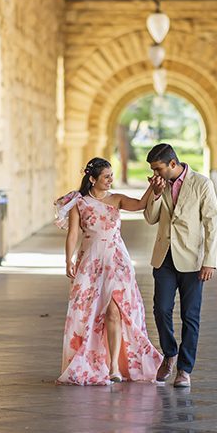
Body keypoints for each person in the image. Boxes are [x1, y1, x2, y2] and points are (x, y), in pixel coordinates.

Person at [54, 158, 164, 385]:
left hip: (117, 261)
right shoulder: (79, 203)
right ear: (92, 179)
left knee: (115, 311)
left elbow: (141, 204)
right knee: (90, 312)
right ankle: (92, 362)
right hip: (91, 262)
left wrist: (152, 188)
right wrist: (68, 260)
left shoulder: (117, 199)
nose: (110, 180)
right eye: (106, 176)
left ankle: (114, 366)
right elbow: (73, 234)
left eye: (112, 176)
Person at [144, 143, 217, 388]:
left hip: (193, 259)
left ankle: (185, 370)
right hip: (164, 257)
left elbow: (212, 224)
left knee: (190, 316)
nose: (155, 174)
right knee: (161, 309)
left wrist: (210, 261)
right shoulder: (159, 184)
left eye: (158, 169)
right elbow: (150, 218)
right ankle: (170, 354)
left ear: (173, 164)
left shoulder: (202, 184)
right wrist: (154, 194)